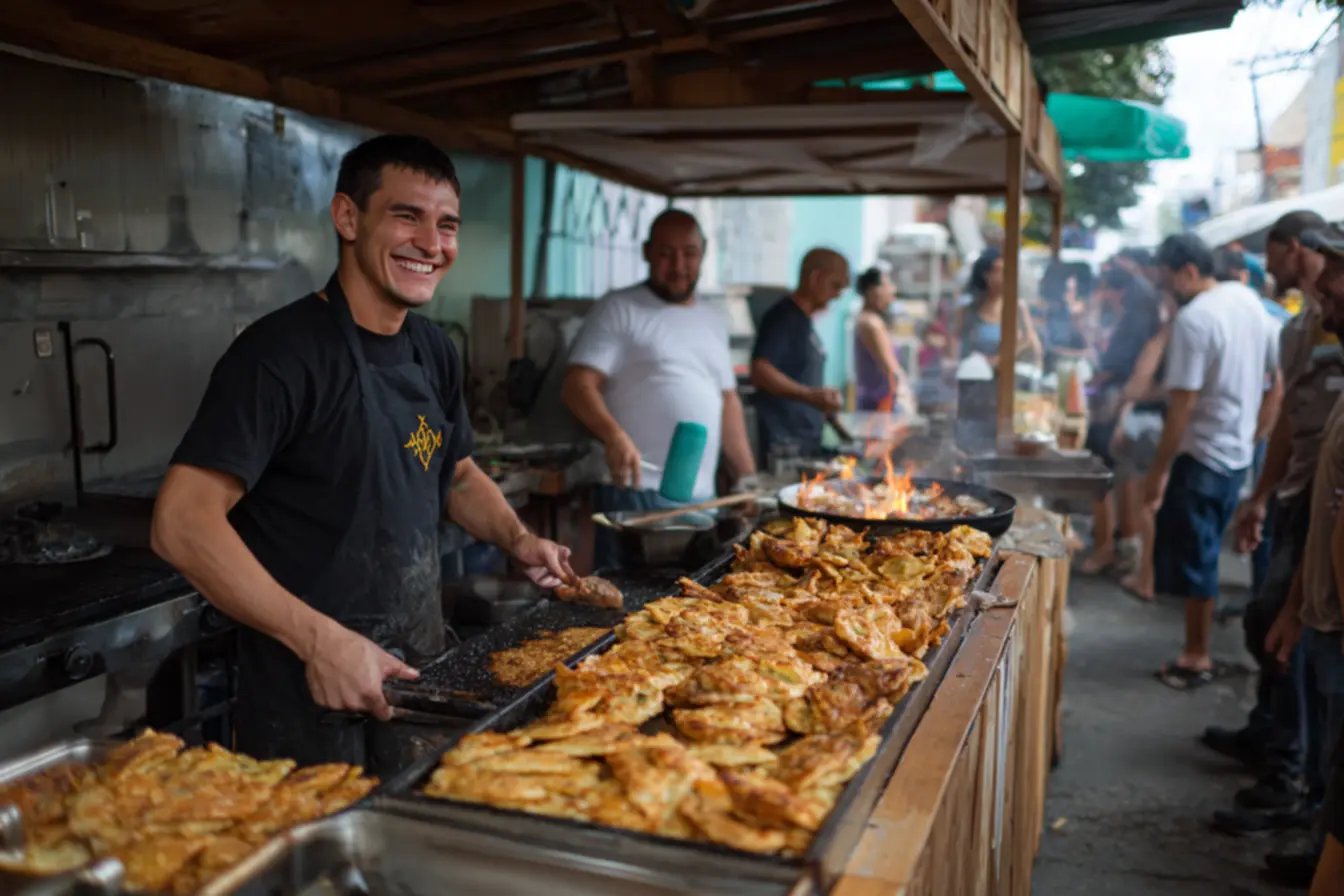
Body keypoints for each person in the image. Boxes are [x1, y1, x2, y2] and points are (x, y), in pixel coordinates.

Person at [150, 135, 576, 773]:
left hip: (416, 673)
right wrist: (318, 640)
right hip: (305, 692)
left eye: (447, 225)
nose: (432, 245)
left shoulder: (431, 349)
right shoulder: (280, 356)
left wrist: (519, 539)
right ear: (348, 218)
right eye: (407, 216)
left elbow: (454, 473)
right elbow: (181, 522)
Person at [1205, 212, 1333, 838]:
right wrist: (1260, 496)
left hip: (1326, 504)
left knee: (1302, 644)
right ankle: (1277, 747)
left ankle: (1294, 778)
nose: (1269, 268)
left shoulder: (1332, 320)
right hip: (1295, 494)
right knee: (1269, 621)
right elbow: (1285, 419)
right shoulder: (1299, 328)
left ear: (1297, 249)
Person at [561, 209, 756, 568]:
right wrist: (613, 436)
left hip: (701, 501)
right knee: (627, 612)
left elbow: (727, 400)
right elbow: (577, 384)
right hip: (637, 496)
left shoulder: (713, 317)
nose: (679, 265)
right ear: (647, 252)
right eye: (666, 254)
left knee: (690, 613)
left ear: (704, 252)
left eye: (689, 253)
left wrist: (746, 475)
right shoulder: (619, 308)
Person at [1144, 232, 1281, 690]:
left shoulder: (1195, 319)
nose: (1168, 291)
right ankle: (1195, 646)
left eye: (1168, 281)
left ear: (1187, 270)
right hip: (1237, 453)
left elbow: (1181, 405)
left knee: (1197, 557)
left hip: (1202, 454)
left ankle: (1196, 655)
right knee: (1201, 553)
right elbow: (1275, 383)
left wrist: (1158, 473)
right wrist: (1257, 434)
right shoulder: (1246, 299)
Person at [1081, 268, 1164, 577]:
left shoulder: (1132, 324)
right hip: (1140, 413)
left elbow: (1114, 372)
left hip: (1120, 411)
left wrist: (1090, 387)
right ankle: (1124, 549)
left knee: (1102, 479)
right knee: (1127, 480)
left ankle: (1105, 549)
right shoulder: (1153, 321)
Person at [750, 248, 850, 464]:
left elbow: (804, 379)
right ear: (815, 279)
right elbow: (760, 370)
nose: (838, 295)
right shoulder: (783, 318)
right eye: (835, 286)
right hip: (784, 448)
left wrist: (839, 426)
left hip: (806, 442)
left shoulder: (805, 322)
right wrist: (809, 395)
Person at [952, 248, 1043, 369]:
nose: (1003, 277)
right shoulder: (969, 309)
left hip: (1007, 374)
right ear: (985, 274)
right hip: (976, 373)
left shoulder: (1016, 308)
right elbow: (955, 340)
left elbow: (1029, 341)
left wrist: (1002, 358)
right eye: (998, 272)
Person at [852, 266, 913, 413]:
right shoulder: (871, 323)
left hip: (875, 400)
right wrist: (906, 396)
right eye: (886, 285)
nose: (891, 291)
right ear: (871, 290)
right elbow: (890, 367)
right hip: (880, 403)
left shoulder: (867, 320)